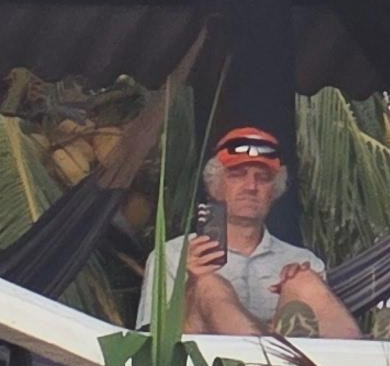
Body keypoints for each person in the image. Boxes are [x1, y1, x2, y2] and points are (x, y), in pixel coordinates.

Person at [146, 122, 362, 337]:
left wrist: (297, 285)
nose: (251, 186)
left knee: (304, 280)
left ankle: (366, 357)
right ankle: (265, 348)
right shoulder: (172, 255)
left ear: (274, 190)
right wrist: (191, 282)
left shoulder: (302, 259)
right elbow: (154, 343)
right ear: (215, 185)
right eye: (237, 174)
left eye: (263, 178)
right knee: (208, 284)